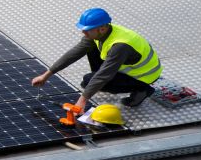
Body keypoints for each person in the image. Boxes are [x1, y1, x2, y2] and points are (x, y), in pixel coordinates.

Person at [32, 8, 162, 110]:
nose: (83, 32)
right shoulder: (102, 32)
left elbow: (104, 75)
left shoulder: (120, 46)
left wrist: (82, 101)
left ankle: (143, 91)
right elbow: (74, 53)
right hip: (125, 66)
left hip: (142, 77)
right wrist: (46, 75)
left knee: (90, 80)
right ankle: (94, 84)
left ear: (102, 29)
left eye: (87, 30)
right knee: (89, 50)